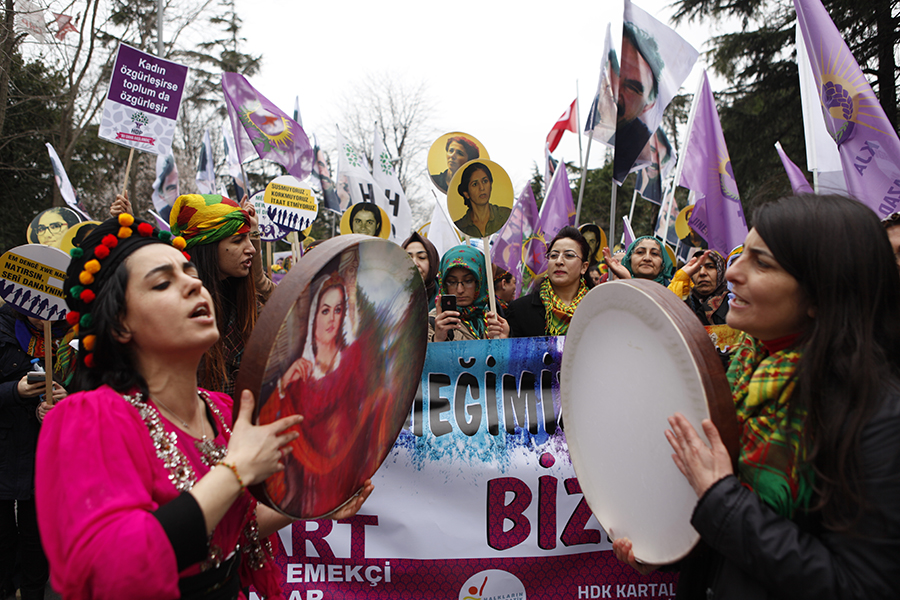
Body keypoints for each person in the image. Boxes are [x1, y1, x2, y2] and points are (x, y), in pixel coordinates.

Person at [36, 215, 372, 600]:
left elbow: (234, 530)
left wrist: (319, 503)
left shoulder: (224, 410)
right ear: (120, 325)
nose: (193, 284)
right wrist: (236, 469)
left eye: (190, 273)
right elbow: (114, 571)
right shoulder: (88, 418)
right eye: (163, 282)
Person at [612, 194, 900, 599]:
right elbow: (729, 540)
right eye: (741, 254)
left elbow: (863, 586)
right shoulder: (740, 377)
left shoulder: (877, 418)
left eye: (762, 263)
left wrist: (721, 500)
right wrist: (665, 548)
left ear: (821, 293)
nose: (732, 273)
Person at [256, 270, 387, 518]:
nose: (332, 319)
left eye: (338, 310)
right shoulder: (296, 369)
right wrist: (283, 386)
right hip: (304, 487)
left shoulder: (353, 359)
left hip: (345, 478)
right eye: (325, 311)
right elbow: (266, 425)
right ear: (313, 316)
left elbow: (368, 409)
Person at [168, 194, 276, 395]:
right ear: (207, 246)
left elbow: (284, 306)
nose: (251, 249)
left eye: (249, 238)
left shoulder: (249, 305)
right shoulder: (173, 314)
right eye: (238, 240)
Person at [0, 306, 71, 600]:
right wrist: (14, 391)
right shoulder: (4, 328)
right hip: (5, 452)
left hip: (47, 459)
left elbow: (94, 392)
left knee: (37, 536)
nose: (40, 315)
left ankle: (32, 591)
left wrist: (65, 402)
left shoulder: (75, 337)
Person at [507, 226, 590, 337]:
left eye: (569, 255)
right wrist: (505, 339)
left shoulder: (598, 308)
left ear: (584, 267)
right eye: (554, 255)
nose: (559, 261)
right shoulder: (520, 310)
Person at [613, 23, 662, 182]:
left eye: (632, 88)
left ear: (647, 105)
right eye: (615, 72)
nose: (617, 92)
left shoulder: (638, 148)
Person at [430, 245, 508, 341]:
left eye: (468, 281)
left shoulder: (494, 320)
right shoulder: (432, 323)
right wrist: (437, 339)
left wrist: (503, 341)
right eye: (452, 282)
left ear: (481, 282)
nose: (460, 290)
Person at [668, 250, 730, 326]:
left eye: (710, 267)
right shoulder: (685, 298)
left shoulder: (732, 302)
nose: (702, 273)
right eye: (697, 268)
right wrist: (680, 281)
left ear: (721, 271)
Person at [453, 163, 512, 238]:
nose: (482, 188)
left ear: (491, 185)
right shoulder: (461, 226)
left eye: (485, 181)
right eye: (474, 184)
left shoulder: (506, 215)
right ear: (466, 193)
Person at [602, 235, 675, 286]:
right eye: (640, 252)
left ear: (663, 264)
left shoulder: (674, 293)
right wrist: (627, 281)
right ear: (629, 260)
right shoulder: (613, 291)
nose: (647, 258)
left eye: (654, 253)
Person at [402, 232, 439, 311]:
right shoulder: (388, 297)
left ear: (432, 262)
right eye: (408, 257)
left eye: (421, 257)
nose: (414, 263)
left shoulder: (447, 296)